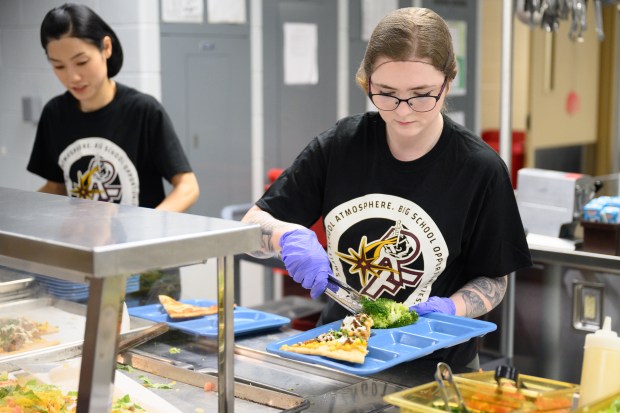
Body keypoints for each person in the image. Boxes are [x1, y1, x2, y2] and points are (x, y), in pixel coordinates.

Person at [242, 7, 532, 368]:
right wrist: (282, 236)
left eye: (422, 94)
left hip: (437, 366)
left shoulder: (479, 169)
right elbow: (251, 225)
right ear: (367, 83)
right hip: (340, 355)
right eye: (387, 93)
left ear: (449, 81)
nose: (403, 110)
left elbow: (494, 277)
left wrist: (451, 309)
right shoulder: (340, 146)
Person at [28, 3, 200, 302]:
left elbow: (187, 187)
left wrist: (140, 229)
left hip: (147, 268)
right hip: (87, 264)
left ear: (106, 47)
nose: (73, 77)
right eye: (59, 66)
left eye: (81, 61)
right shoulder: (55, 113)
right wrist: (24, 220)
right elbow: (56, 187)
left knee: (152, 344)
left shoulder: (142, 111)